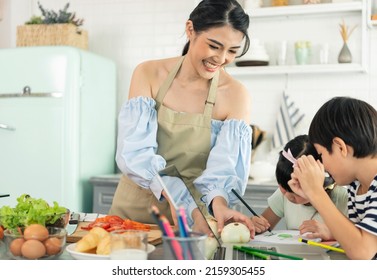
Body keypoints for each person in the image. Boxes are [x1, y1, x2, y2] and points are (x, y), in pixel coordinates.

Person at [109, 0, 255, 237]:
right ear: (190, 30)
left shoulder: (236, 95)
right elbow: (136, 154)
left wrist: (218, 203)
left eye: (231, 51)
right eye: (214, 46)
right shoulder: (148, 73)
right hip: (134, 212)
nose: (221, 58)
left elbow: (224, 169)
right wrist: (190, 208)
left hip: (194, 221)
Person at [289, 97, 377, 260]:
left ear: (340, 147)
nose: (322, 165)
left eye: (321, 155)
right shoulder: (356, 186)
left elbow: (364, 253)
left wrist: (317, 193)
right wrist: (333, 232)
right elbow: (364, 237)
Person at [251, 135, 348, 241]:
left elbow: (359, 243)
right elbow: (263, 226)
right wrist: (254, 225)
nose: (288, 196)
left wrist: (333, 234)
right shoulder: (283, 195)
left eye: (296, 192)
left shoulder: (344, 198)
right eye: (283, 188)